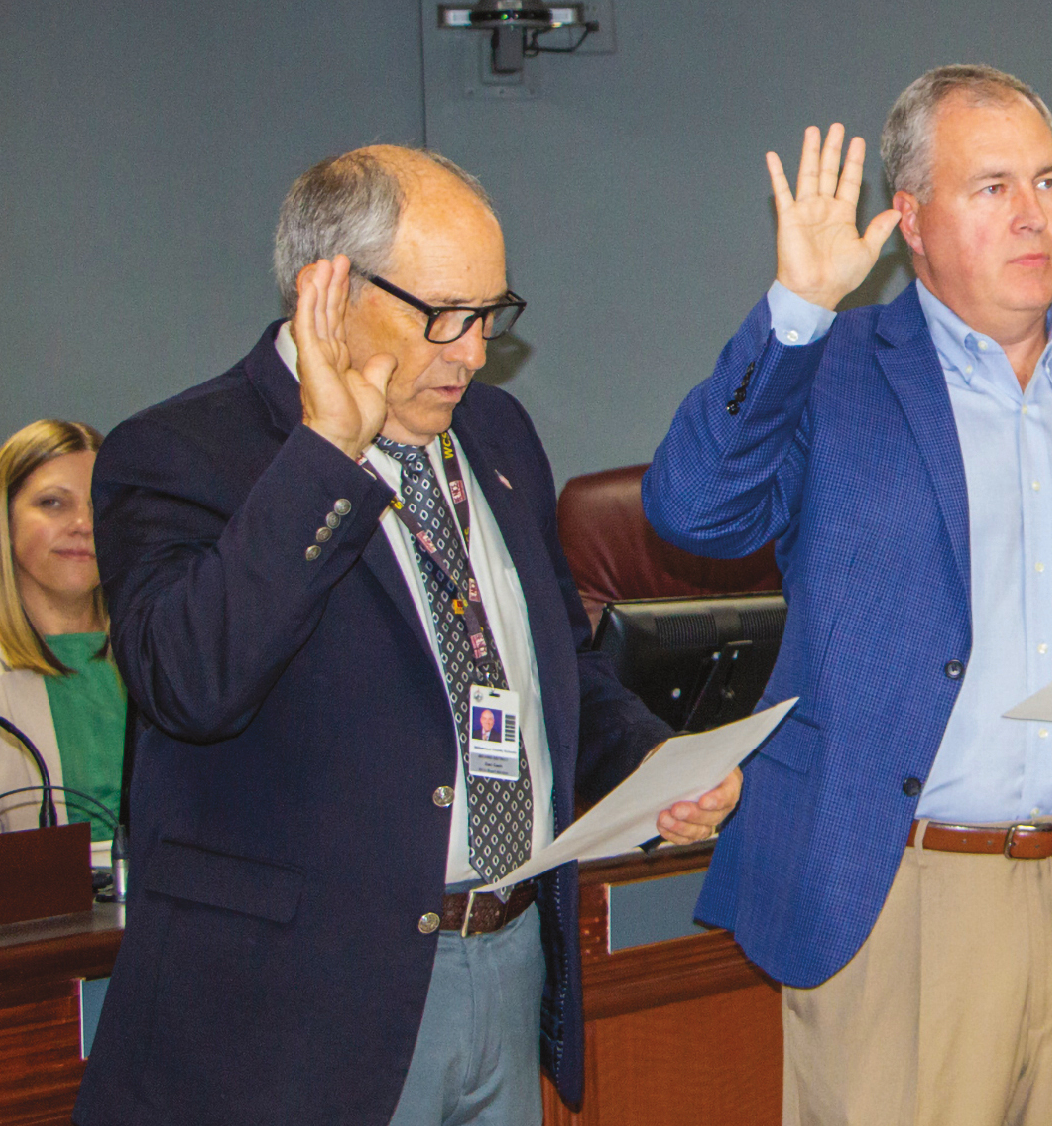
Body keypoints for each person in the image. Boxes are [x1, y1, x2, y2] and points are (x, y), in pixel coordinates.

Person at [75, 145, 742, 1126]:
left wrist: (654, 758)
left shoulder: (500, 434)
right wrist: (322, 457)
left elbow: (551, 666)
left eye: (489, 315)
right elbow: (191, 684)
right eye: (442, 316)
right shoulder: (180, 453)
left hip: (506, 962)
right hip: (291, 1022)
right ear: (327, 288)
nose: (471, 351)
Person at [642, 65, 1052, 1125]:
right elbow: (693, 512)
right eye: (992, 186)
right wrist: (795, 311)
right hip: (900, 896)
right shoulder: (828, 374)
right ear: (909, 218)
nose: (1032, 215)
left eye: (1048, 183)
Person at [0, 420, 124, 864]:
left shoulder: (159, 648)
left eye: (97, 504)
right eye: (53, 503)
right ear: (2, 520)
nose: (83, 524)